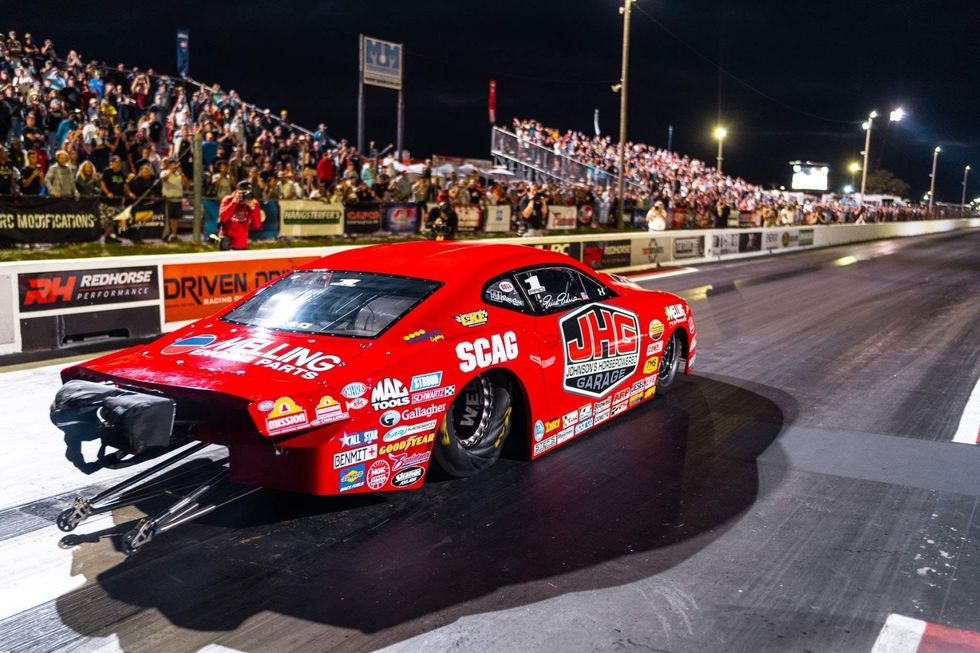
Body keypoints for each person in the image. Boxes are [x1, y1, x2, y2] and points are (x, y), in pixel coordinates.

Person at [217, 180, 262, 250]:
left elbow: (257, 225)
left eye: (249, 191)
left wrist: (252, 208)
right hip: (227, 244)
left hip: (241, 244)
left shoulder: (253, 203)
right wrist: (234, 202)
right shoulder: (228, 200)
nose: (246, 194)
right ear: (238, 191)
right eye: (244, 192)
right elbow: (223, 218)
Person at [160, 158, 187, 241]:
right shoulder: (164, 172)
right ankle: (165, 235)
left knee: (175, 219)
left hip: (178, 199)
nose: (174, 166)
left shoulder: (179, 174)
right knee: (167, 218)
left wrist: (181, 173)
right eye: (171, 164)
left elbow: (186, 184)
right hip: (168, 199)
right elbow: (164, 179)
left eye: (175, 164)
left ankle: (174, 235)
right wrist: (171, 171)